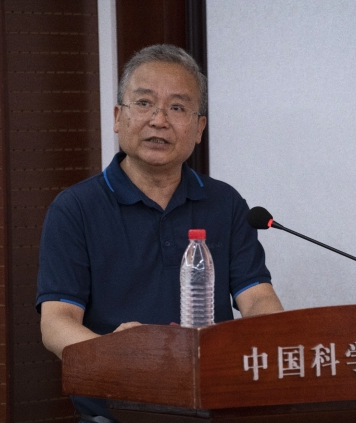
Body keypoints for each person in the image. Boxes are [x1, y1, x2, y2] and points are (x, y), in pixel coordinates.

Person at [36, 44, 283, 422]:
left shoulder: (225, 203)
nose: (159, 120)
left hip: (214, 407)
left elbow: (259, 299)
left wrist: (265, 342)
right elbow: (56, 324)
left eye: (178, 107)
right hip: (118, 411)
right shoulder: (75, 209)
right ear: (118, 117)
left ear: (199, 128)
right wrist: (121, 354)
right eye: (144, 103)